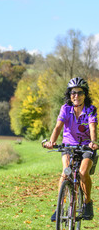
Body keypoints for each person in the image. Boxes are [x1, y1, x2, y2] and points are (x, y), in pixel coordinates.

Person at [44, 77, 98, 221]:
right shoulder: (65, 109)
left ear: (85, 94)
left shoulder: (90, 109)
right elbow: (58, 127)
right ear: (69, 94)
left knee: (82, 172)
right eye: (73, 92)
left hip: (86, 146)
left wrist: (93, 142)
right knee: (65, 172)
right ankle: (59, 207)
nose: (76, 96)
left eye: (80, 92)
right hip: (68, 145)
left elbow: (92, 127)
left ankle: (87, 203)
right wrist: (51, 141)